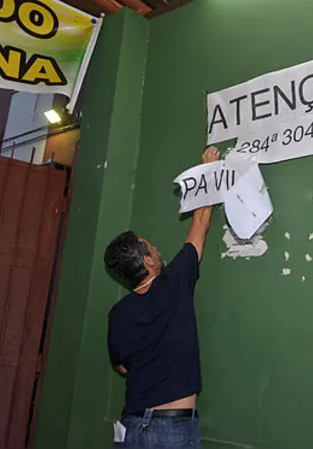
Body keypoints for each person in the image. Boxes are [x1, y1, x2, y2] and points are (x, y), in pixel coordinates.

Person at [104, 146, 220, 448]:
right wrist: (208, 168)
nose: (156, 249)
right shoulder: (173, 284)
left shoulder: (117, 315)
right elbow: (201, 223)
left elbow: (121, 366)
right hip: (170, 430)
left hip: (131, 427)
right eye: (151, 247)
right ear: (148, 262)